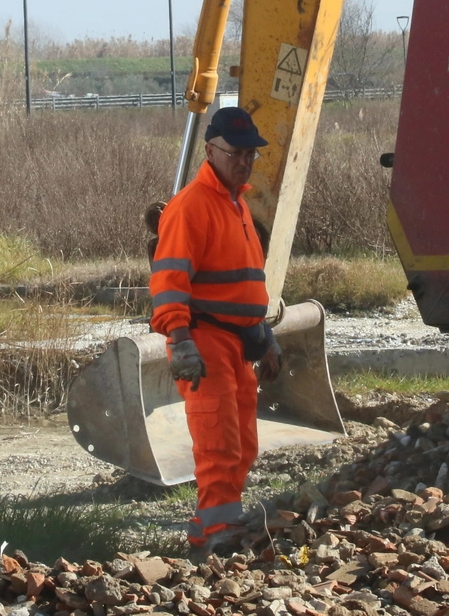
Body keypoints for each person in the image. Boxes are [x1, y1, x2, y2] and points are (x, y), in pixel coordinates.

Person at [149, 106, 283, 558]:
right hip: (204, 340)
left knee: (242, 443)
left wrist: (263, 334)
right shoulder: (191, 206)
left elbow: (245, 280)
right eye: (236, 153)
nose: (244, 161)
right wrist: (180, 340)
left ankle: (206, 532)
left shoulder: (235, 204)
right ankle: (222, 534)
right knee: (218, 442)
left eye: (251, 154)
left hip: (238, 342)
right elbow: (169, 280)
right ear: (210, 150)